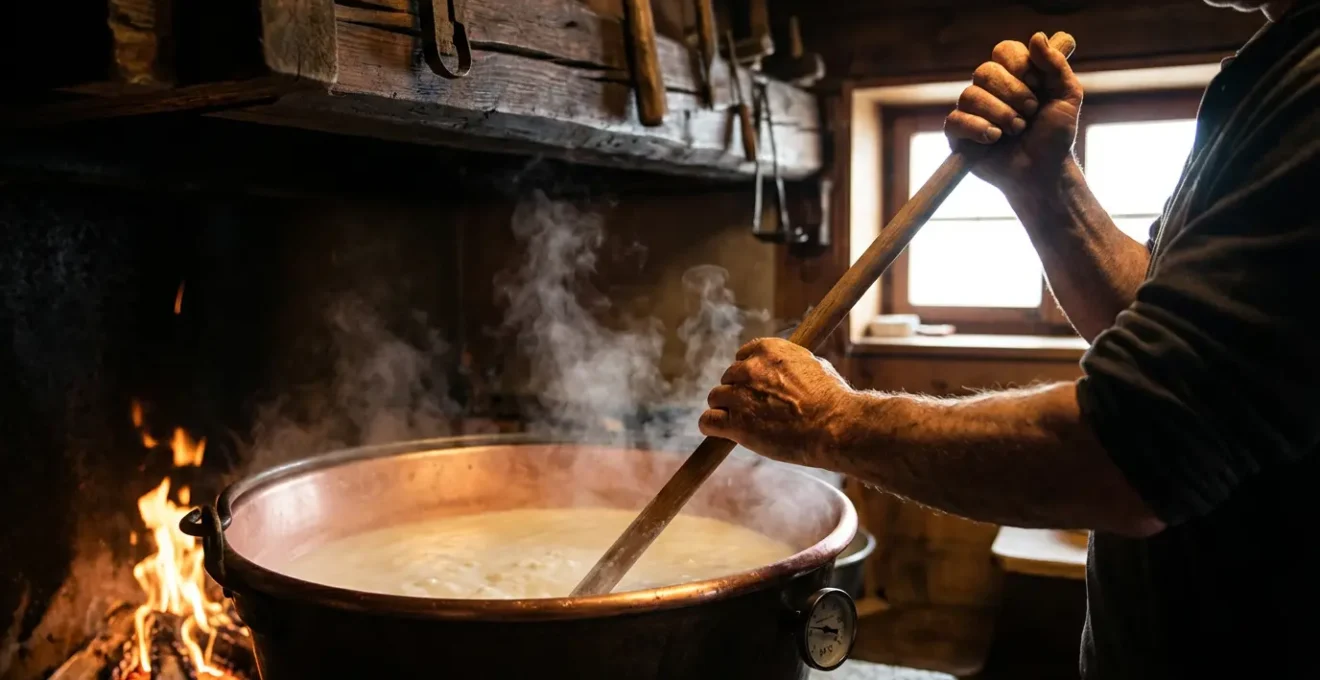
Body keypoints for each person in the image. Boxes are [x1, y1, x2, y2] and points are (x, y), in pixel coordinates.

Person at [698, 1, 1319, 677]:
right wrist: (1045, 183)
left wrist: (828, 422)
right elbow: (1173, 338)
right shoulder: (1275, 69)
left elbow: (1132, 450)